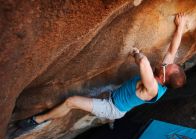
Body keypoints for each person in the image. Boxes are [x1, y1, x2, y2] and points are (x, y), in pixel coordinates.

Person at [18, 13, 187, 128]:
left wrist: (136, 53)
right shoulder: (164, 74)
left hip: (111, 107)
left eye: (166, 66)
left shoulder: (152, 88)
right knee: (103, 93)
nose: (164, 63)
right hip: (115, 95)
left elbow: (143, 63)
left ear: (163, 78)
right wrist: (180, 26)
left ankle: (37, 120)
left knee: (71, 101)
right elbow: (172, 50)